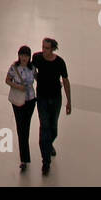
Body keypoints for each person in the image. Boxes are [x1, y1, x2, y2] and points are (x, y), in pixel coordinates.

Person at [32, 37, 72, 175]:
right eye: (43, 47)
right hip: (42, 98)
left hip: (55, 99)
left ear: (53, 49)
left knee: (53, 127)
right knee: (44, 127)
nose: (44, 50)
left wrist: (69, 101)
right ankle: (46, 161)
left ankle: (49, 144)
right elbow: (32, 70)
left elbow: (65, 81)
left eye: (47, 48)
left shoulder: (60, 63)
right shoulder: (37, 57)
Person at [5, 45, 38, 171]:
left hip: (30, 100)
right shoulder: (14, 68)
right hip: (17, 101)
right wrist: (17, 86)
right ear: (19, 55)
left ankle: (24, 156)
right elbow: (7, 80)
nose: (24, 58)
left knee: (26, 126)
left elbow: (38, 78)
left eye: (26, 55)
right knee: (20, 127)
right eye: (22, 55)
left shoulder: (32, 68)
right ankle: (24, 159)